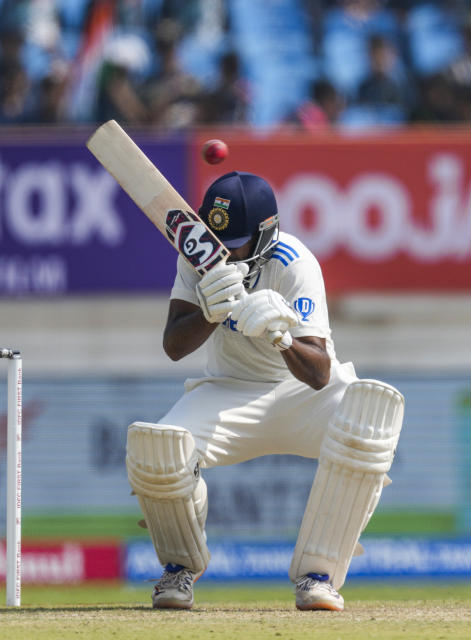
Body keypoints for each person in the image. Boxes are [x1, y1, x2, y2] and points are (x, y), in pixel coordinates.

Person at [126, 172, 404, 611]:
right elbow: (173, 346)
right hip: (229, 392)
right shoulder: (196, 258)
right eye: (218, 240)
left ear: (266, 233)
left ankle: (319, 577)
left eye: (235, 242)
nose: (226, 253)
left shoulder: (295, 263)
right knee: (158, 449)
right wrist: (209, 313)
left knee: (372, 417)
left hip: (301, 394)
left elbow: (318, 373)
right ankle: (180, 569)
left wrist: (282, 339)